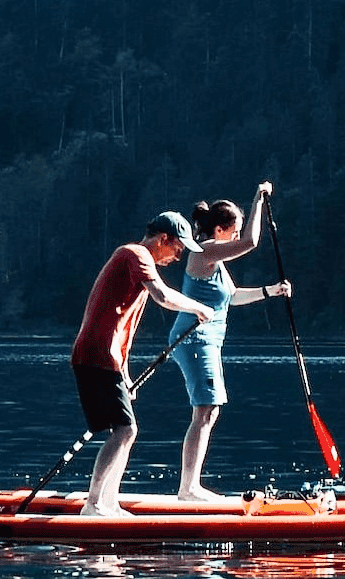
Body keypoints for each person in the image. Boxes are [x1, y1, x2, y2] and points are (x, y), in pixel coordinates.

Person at [71, 211, 216, 517]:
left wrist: (123, 373)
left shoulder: (135, 263)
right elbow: (163, 296)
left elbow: (121, 327)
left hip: (105, 358)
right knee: (125, 430)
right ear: (163, 239)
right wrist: (199, 308)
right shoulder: (134, 254)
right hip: (95, 355)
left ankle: (108, 504)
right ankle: (93, 504)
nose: (178, 257)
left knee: (126, 430)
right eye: (177, 248)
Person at [167, 181, 291, 503]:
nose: (236, 237)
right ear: (219, 230)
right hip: (194, 339)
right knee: (205, 410)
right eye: (232, 231)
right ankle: (188, 489)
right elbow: (251, 241)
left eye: (235, 232)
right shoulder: (203, 252)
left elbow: (232, 297)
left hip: (207, 341)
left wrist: (270, 291)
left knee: (209, 411)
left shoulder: (217, 264)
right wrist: (258, 198)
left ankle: (189, 486)